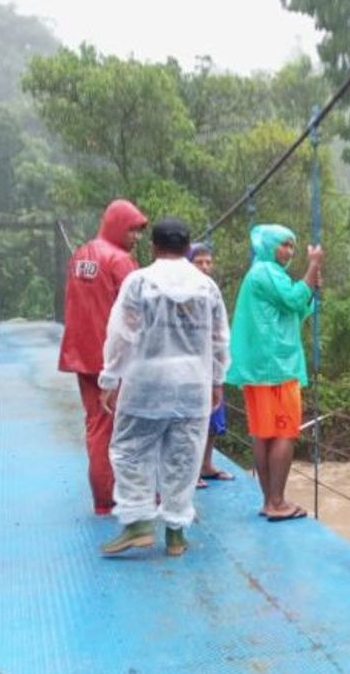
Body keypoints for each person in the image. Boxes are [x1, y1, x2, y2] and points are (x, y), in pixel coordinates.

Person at [98, 218, 230, 557]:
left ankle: (139, 522)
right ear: (188, 250)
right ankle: (175, 534)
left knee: (129, 450)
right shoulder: (207, 287)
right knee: (184, 457)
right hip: (192, 383)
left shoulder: (139, 282)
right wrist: (217, 380)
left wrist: (110, 378)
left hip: (146, 382)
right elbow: (219, 340)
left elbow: (121, 334)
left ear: (154, 247)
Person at [226, 224, 323, 522]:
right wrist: (314, 266)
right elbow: (295, 301)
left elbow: (294, 307)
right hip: (276, 368)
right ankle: (277, 501)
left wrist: (310, 287)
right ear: (269, 246)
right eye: (284, 245)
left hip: (260, 369)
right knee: (284, 432)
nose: (289, 251)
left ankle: (269, 500)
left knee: (263, 433)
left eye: (292, 246)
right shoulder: (266, 272)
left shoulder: (264, 274)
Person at [58, 199, 148, 516]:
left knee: (97, 425)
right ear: (118, 225)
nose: (136, 238)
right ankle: (117, 498)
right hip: (114, 361)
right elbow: (139, 314)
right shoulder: (121, 262)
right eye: (133, 230)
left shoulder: (80, 254)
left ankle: (102, 499)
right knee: (126, 430)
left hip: (81, 355)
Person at [187, 243, 235, 489]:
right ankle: (190, 473)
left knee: (213, 420)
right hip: (190, 368)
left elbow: (220, 330)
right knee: (193, 421)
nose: (205, 267)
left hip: (211, 365)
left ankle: (206, 465)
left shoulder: (212, 290)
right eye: (199, 262)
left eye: (208, 262)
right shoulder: (180, 289)